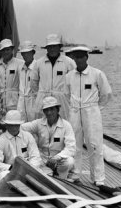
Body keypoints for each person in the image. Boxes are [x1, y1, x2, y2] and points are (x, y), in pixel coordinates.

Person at [65, 46, 112, 186]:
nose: (79, 59)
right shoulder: (69, 76)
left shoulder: (97, 74)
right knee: (74, 144)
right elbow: (66, 94)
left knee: (95, 144)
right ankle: (75, 173)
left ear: (87, 57)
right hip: (74, 112)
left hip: (91, 112)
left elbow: (106, 94)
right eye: (76, 56)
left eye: (81, 56)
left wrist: (96, 108)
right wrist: (74, 107)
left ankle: (98, 178)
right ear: (73, 58)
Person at [21, 96, 76, 180]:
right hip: (43, 158)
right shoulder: (39, 123)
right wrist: (5, 125)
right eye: (46, 110)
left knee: (69, 161)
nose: (49, 113)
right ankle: (49, 174)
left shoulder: (66, 125)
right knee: (31, 162)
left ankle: (61, 176)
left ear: (57, 110)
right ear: (43, 111)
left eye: (52, 109)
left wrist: (56, 157)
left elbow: (71, 148)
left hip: (58, 159)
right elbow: (22, 128)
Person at [31, 34, 76, 120]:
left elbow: (74, 83)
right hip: (43, 99)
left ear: (59, 47)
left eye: (54, 46)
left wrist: (66, 96)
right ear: (46, 48)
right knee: (42, 125)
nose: (52, 49)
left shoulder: (69, 62)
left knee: (62, 125)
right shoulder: (39, 63)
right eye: (50, 47)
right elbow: (34, 83)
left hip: (62, 100)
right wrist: (41, 95)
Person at [0, 110, 42, 179]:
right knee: (3, 176)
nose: (14, 128)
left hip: (29, 170)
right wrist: (10, 167)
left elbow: (36, 156)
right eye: (11, 125)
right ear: (6, 125)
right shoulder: (0, 140)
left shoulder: (28, 136)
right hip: (9, 171)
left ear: (20, 124)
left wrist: (29, 168)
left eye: (16, 125)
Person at [0, 38, 23, 113]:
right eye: (3, 50)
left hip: (15, 100)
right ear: (0, 52)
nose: (5, 52)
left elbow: (23, 82)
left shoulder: (19, 63)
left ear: (12, 50)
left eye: (8, 49)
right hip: (1, 101)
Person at [17, 40, 37, 122]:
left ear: (33, 53)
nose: (25, 55)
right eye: (23, 53)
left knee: (34, 125)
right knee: (21, 126)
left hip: (33, 101)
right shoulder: (20, 68)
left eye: (28, 53)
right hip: (21, 102)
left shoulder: (37, 67)